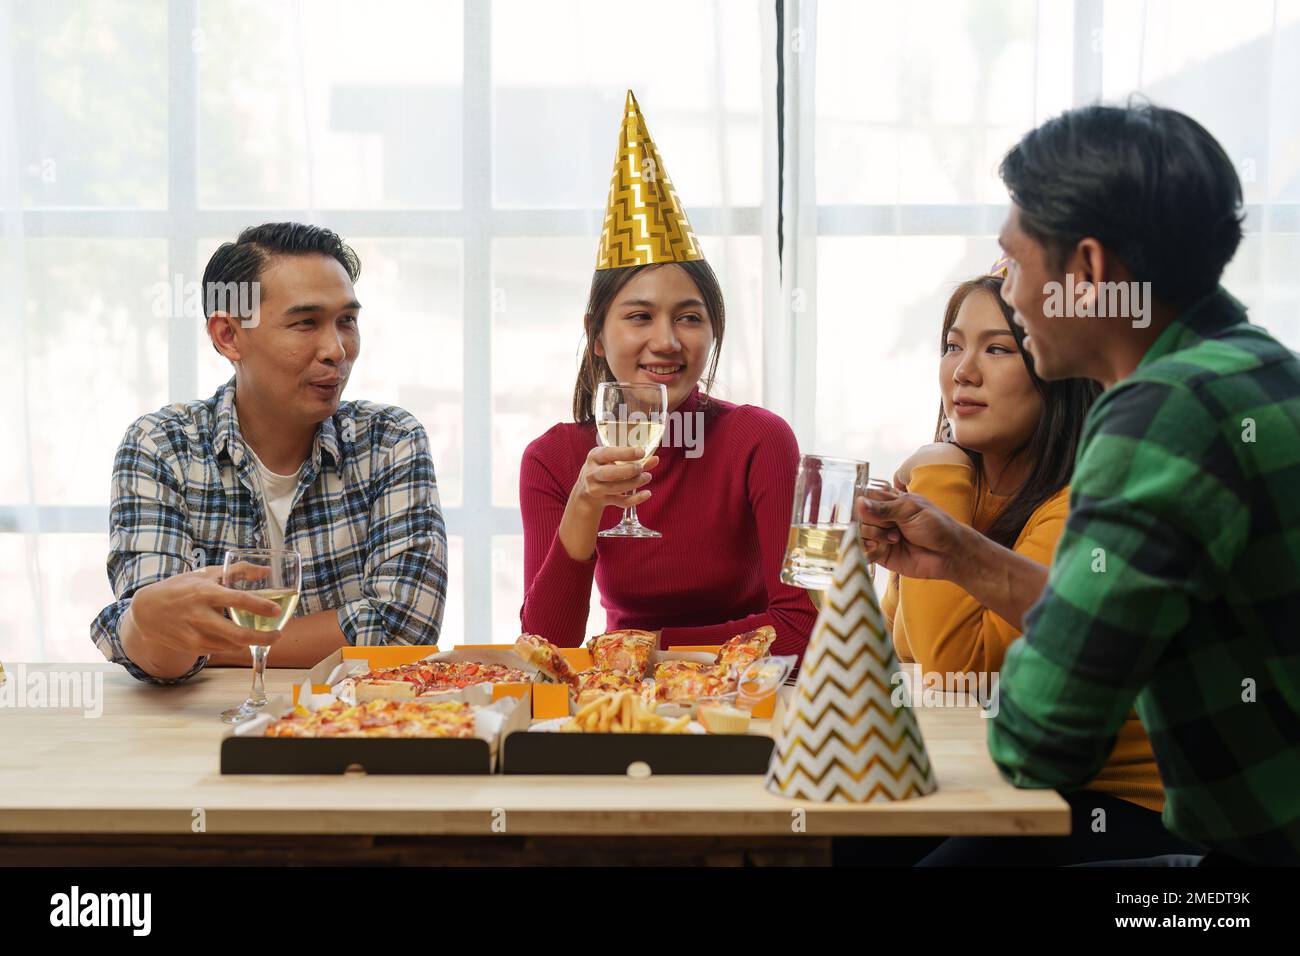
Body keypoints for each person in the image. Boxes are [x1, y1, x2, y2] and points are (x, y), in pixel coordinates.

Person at [858, 102, 1300, 865]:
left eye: (1016, 263)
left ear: (1088, 272)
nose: (1013, 290)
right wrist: (965, 556)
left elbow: (1040, 742)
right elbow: (1141, 617)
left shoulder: (1160, 417)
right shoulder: (1260, 368)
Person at [879, 268, 1206, 865]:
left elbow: (960, 671)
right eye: (953, 345)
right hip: (1000, 774)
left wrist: (939, 470)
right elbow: (898, 653)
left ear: (1057, 374)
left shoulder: (1082, 503)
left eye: (998, 348)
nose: (962, 371)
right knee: (840, 843)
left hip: (1119, 801)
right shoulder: (962, 488)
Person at [519, 91, 815, 657]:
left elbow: (798, 627)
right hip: (623, 699)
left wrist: (644, 645)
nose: (667, 341)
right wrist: (584, 506)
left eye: (688, 318)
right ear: (597, 335)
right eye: (639, 317)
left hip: (745, 696)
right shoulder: (553, 460)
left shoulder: (759, 440)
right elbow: (544, 649)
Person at [91, 222, 448, 683]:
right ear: (228, 335)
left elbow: (404, 633)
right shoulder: (161, 446)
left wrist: (212, 642)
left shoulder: (391, 440)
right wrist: (151, 625)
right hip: (202, 730)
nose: (336, 350)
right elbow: (163, 648)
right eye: (305, 323)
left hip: (351, 728)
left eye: (347, 321)